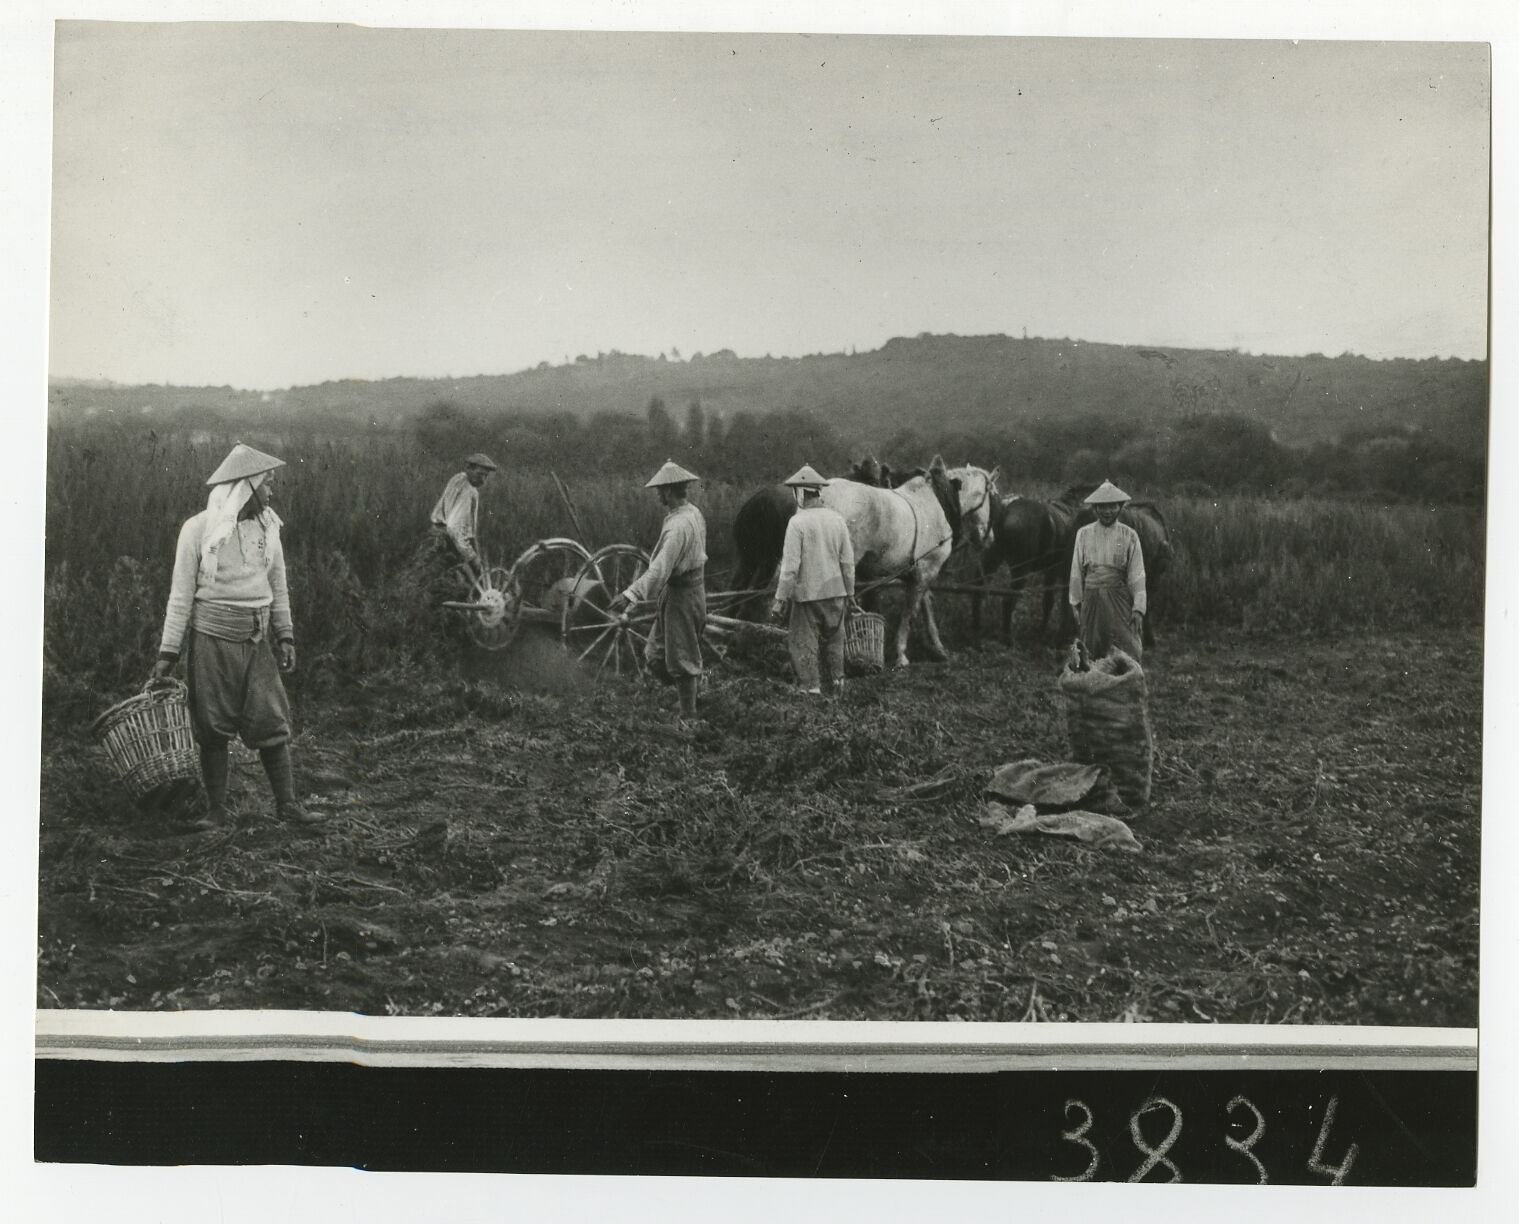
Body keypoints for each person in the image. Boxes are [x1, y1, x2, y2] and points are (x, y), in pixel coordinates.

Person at [150, 443, 320, 832]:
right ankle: (216, 811)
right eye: (267, 484)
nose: (272, 493)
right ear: (245, 488)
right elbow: (180, 595)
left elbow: (278, 583)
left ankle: (288, 805)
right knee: (212, 726)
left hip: (257, 641)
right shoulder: (197, 531)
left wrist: (286, 635)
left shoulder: (268, 527)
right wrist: (168, 652)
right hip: (212, 639)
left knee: (272, 720)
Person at [608, 460, 707, 724]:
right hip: (677, 592)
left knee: (681, 657)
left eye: (660, 490)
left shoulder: (679, 527)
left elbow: (660, 568)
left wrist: (631, 594)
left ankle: (689, 716)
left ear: (668, 491)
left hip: (684, 595)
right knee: (655, 655)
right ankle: (689, 693)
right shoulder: (690, 513)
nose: (657, 495)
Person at [771, 464, 857, 696]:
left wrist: (780, 599)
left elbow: (789, 568)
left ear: (800, 493)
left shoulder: (797, 523)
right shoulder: (837, 520)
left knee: (804, 642)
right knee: (835, 641)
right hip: (835, 591)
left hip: (807, 595)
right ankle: (838, 685)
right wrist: (850, 593)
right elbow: (848, 563)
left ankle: (811, 689)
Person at [1068, 479, 1147, 661]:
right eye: (1102, 507)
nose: (1107, 511)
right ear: (1094, 509)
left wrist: (1138, 608)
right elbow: (1076, 571)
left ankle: (1123, 683)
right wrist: (1075, 602)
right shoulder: (1084, 534)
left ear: (1120, 507)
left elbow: (1137, 575)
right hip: (1092, 597)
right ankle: (1096, 684)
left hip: (1119, 597)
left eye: (1112, 506)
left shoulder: (1129, 535)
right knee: (1091, 647)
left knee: (1129, 648)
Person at [427, 451, 500, 586]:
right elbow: (454, 529)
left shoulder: (459, 478)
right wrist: (473, 557)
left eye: (486, 476)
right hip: (447, 541)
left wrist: (474, 549)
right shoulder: (468, 492)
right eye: (480, 474)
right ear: (469, 469)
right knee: (463, 583)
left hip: (436, 532)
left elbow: (470, 531)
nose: (483, 480)